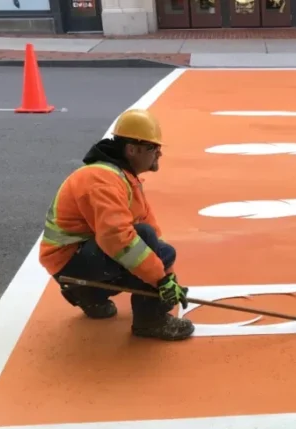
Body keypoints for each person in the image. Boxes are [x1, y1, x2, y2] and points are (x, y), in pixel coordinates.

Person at [38, 108, 195, 341]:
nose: (158, 154)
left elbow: (155, 240)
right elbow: (117, 238)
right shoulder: (102, 180)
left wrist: (169, 278)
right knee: (142, 239)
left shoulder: (123, 177)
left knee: (159, 249)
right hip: (70, 260)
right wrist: (160, 280)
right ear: (132, 149)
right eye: (153, 148)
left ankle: (88, 294)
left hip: (81, 256)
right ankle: (150, 321)